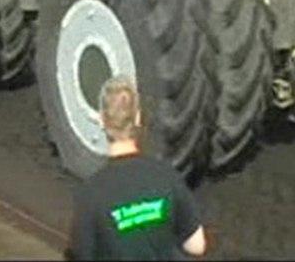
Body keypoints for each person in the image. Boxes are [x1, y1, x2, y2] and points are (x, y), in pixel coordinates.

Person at [69, 76, 206, 261]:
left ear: (101, 120)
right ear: (138, 117)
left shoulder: (92, 193)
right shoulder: (165, 175)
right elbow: (197, 246)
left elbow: (81, 254)